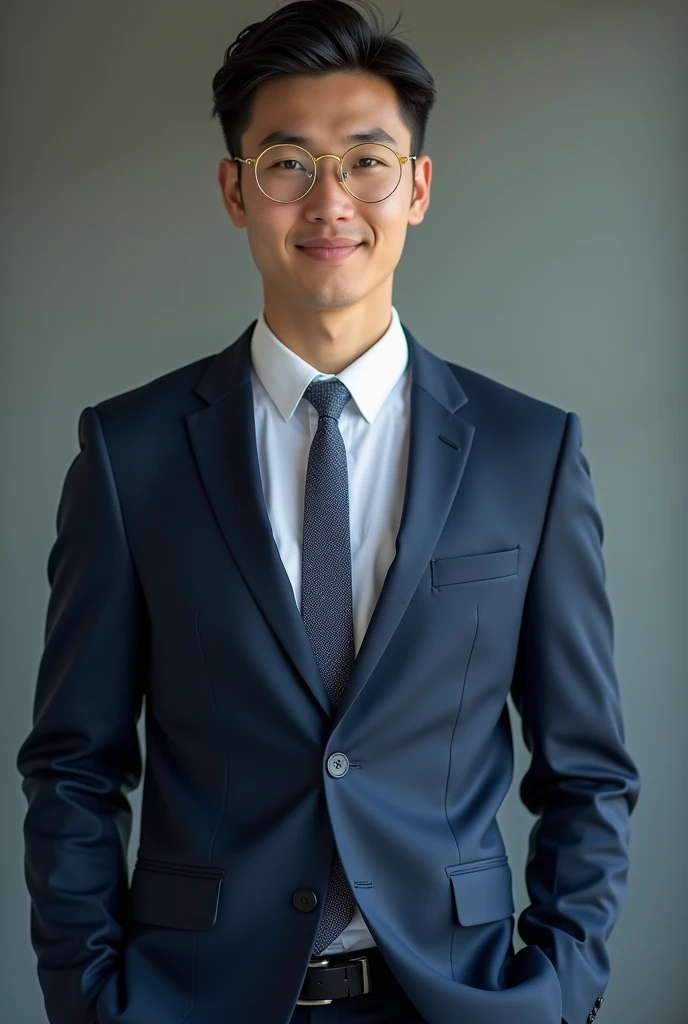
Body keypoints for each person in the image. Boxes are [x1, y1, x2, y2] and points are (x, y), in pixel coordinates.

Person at [16, 2, 640, 1023]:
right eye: (287, 163)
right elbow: (74, 765)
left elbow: (588, 771)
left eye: (365, 161)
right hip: (193, 1000)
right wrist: (89, 1001)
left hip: (457, 996)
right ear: (233, 189)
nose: (329, 202)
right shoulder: (130, 455)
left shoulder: (529, 452)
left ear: (418, 187)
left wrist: (560, 990)